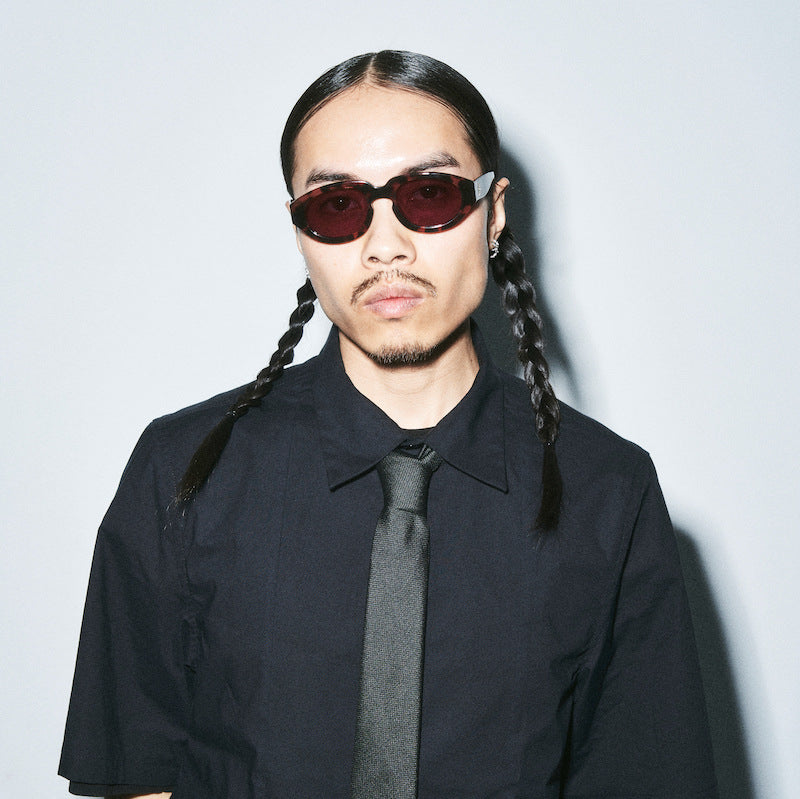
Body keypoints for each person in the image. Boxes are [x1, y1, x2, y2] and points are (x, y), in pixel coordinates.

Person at [59, 51, 717, 798]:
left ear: (494, 212)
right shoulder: (184, 466)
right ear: (300, 232)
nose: (385, 247)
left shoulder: (607, 488)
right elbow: (135, 775)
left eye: (429, 194)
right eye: (337, 206)